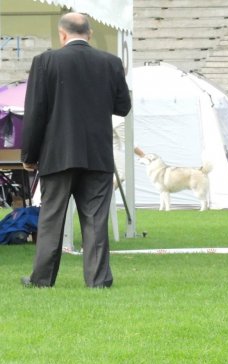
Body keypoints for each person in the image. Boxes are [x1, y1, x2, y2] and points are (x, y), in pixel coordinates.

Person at [20, 12, 131, 288]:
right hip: (97, 154)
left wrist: (29, 156)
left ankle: (42, 279)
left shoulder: (45, 61)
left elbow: (35, 113)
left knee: (51, 219)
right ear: (90, 34)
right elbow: (123, 106)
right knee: (95, 220)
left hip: (57, 154)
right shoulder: (111, 62)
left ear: (62, 34)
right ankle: (98, 279)